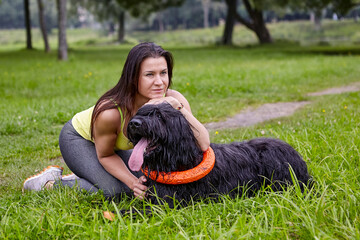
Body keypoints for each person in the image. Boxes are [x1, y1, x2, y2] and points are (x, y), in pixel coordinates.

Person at [23, 42, 210, 200]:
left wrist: (179, 108)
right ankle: (48, 183)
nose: (159, 82)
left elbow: (202, 144)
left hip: (115, 148)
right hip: (80, 140)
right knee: (116, 191)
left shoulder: (173, 100)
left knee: (149, 178)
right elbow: (105, 155)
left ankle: (89, 172)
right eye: (149, 75)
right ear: (133, 77)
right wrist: (131, 183)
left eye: (163, 73)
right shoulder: (110, 112)